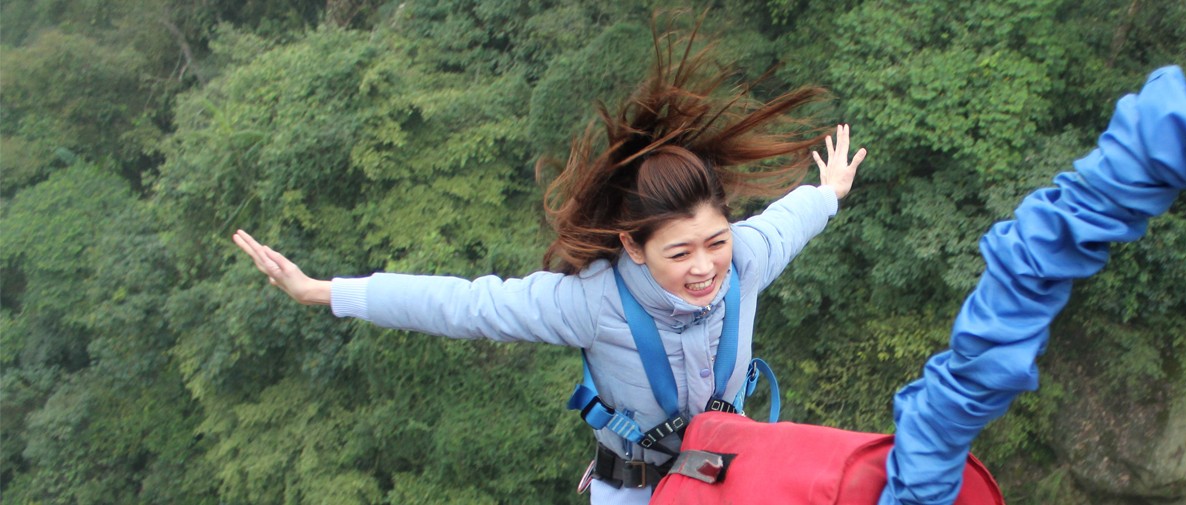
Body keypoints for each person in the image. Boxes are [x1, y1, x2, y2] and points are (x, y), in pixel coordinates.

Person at [230, 26, 866, 504]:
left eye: (716, 241)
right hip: (638, 490)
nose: (706, 268)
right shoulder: (590, 303)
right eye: (680, 252)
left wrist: (827, 192)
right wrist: (328, 292)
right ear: (631, 245)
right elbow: (466, 306)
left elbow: (788, 221)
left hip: (730, 472)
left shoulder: (744, 260)